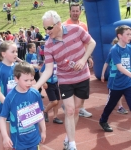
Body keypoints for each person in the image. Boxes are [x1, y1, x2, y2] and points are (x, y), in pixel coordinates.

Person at [33, 10, 96, 150]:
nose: (47, 31)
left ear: (59, 24)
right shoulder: (48, 45)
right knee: (69, 110)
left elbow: (92, 43)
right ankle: (72, 145)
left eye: (49, 27)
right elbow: (48, 70)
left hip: (83, 77)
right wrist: (36, 86)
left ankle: (68, 138)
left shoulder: (76, 30)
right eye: (45, 28)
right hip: (65, 79)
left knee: (76, 109)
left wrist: (83, 59)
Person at [0, 61, 46, 150]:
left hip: (34, 140)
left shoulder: (35, 94)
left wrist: (43, 131)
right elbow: (3, 118)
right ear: (16, 79)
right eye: (26, 80)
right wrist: (5, 137)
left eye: (31, 80)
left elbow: (40, 114)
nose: (29, 83)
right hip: (18, 142)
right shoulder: (10, 98)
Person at [63, 2, 93, 118]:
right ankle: (69, 104)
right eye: (73, 11)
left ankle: (80, 108)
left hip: (82, 59)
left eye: (77, 11)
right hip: (69, 62)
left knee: (83, 84)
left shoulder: (83, 25)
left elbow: (87, 42)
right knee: (70, 84)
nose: (75, 13)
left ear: (80, 12)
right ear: (70, 12)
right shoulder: (64, 25)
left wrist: (88, 57)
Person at [99, 25, 131, 132]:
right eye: (128, 34)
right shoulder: (114, 50)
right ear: (120, 36)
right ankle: (103, 120)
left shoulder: (129, 48)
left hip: (128, 84)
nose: (130, 36)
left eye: (130, 34)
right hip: (116, 84)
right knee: (111, 105)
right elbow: (119, 66)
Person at [0, 41, 18, 150]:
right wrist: (8, 104)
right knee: (5, 132)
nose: (16, 54)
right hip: (4, 105)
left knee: (15, 131)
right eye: (13, 51)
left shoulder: (17, 67)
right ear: (3, 54)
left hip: (17, 104)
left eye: (16, 51)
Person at [101, 37, 128, 114]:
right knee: (113, 93)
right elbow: (106, 63)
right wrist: (103, 74)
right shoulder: (112, 52)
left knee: (122, 92)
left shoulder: (125, 53)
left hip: (123, 76)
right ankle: (113, 106)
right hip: (114, 76)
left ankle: (120, 107)